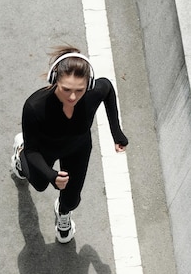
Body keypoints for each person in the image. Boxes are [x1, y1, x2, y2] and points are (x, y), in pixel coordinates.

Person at [11, 45, 128, 243]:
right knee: (39, 184)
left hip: (78, 149)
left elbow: (107, 89)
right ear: (54, 79)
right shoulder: (34, 106)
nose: (73, 97)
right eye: (66, 89)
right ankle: (18, 153)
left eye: (79, 90)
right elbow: (33, 151)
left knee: (72, 199)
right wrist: (51, 175)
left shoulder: (93, 93)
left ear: (88, 85)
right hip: (42, 149)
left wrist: (116, 133)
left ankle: (62, 213)